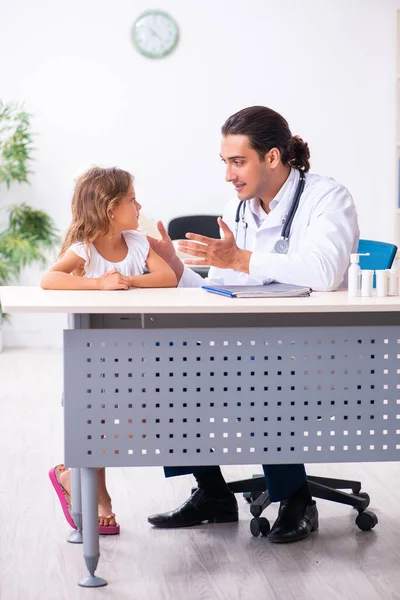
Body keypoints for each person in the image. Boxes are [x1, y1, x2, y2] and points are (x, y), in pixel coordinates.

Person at [146, 106, 359, 543]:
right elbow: (220, 285)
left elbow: (324, 272)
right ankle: (213, 495)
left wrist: (241, 259)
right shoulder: (239, 208)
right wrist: (174, 265)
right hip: (254, 338)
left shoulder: (327, 198)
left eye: (237, 162)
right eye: (224, 162)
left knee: (260, 369)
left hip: (316, 346)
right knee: (169, 366)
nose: (229, 175)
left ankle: (297, 500)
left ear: (274, 158)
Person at [43, 166, 177, 534]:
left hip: (136, 357)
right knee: (95, 424)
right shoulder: (84, 250)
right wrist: (99, 283)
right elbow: (49, 279)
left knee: (128, 425)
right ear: (109, 207)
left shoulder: (136, 243)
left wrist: (128, 281)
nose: (139, 205)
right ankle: (99, 497)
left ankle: (73, 475)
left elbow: (167, 278)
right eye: (132, 199)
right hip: (94, 359)